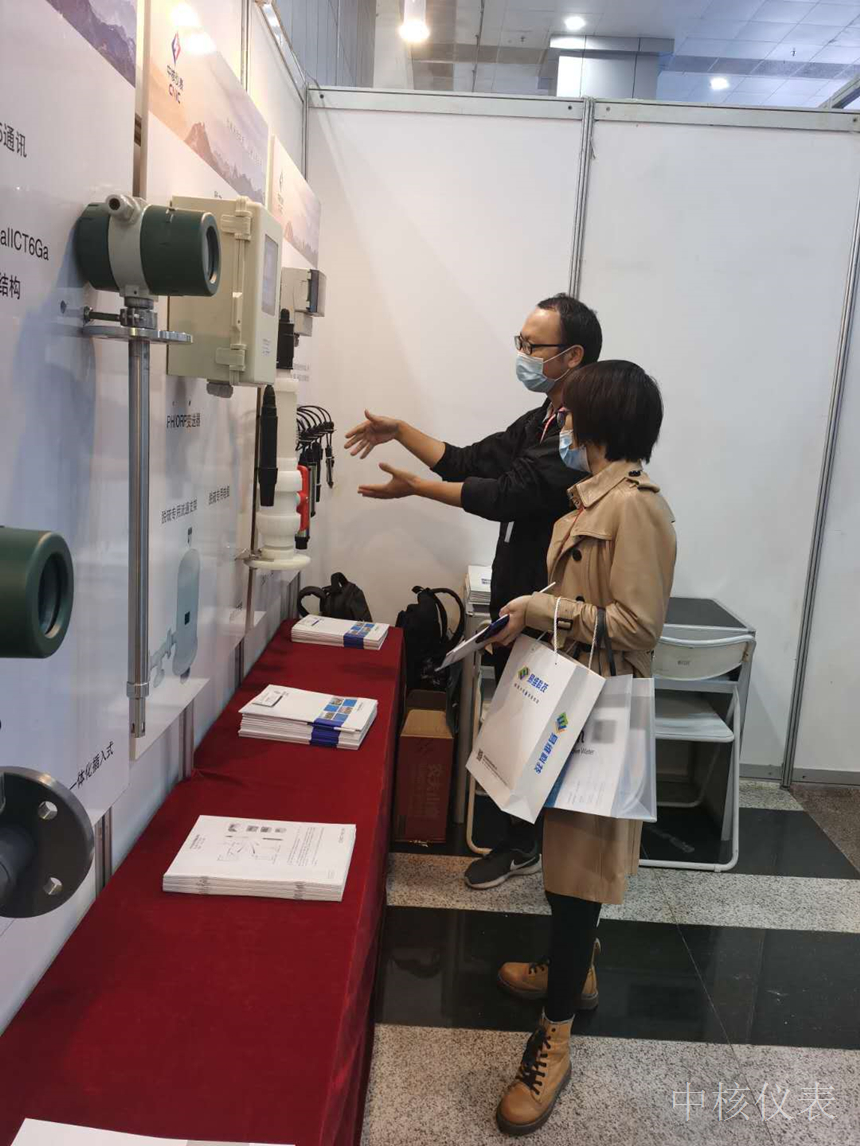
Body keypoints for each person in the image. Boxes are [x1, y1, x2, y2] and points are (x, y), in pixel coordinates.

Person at [345, 294, 602, 890]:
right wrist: (400, 432)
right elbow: (469, 462)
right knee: (516, 721)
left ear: (572, 355)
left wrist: (417, 490)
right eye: (520, 342)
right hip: (517, 597)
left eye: (532, 346)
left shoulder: (577, 434)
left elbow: (504, 495)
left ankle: (525, 847)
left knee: (534, 728)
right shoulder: (542, 417)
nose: (522, 354)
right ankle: (521, 841)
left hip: (547, 604)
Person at [487, 359, 676, 1137]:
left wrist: (544, 611)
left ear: (596, 421)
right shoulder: (589, 498)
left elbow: (638, 627)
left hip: (600, 713)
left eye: (568, 414)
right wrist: (530, 614)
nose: (559, 423)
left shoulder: (636, 508)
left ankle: (554, 1040)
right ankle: (576, 969)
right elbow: (583, 602)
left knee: (578, 873)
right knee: (566, 864)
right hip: (567, 700)